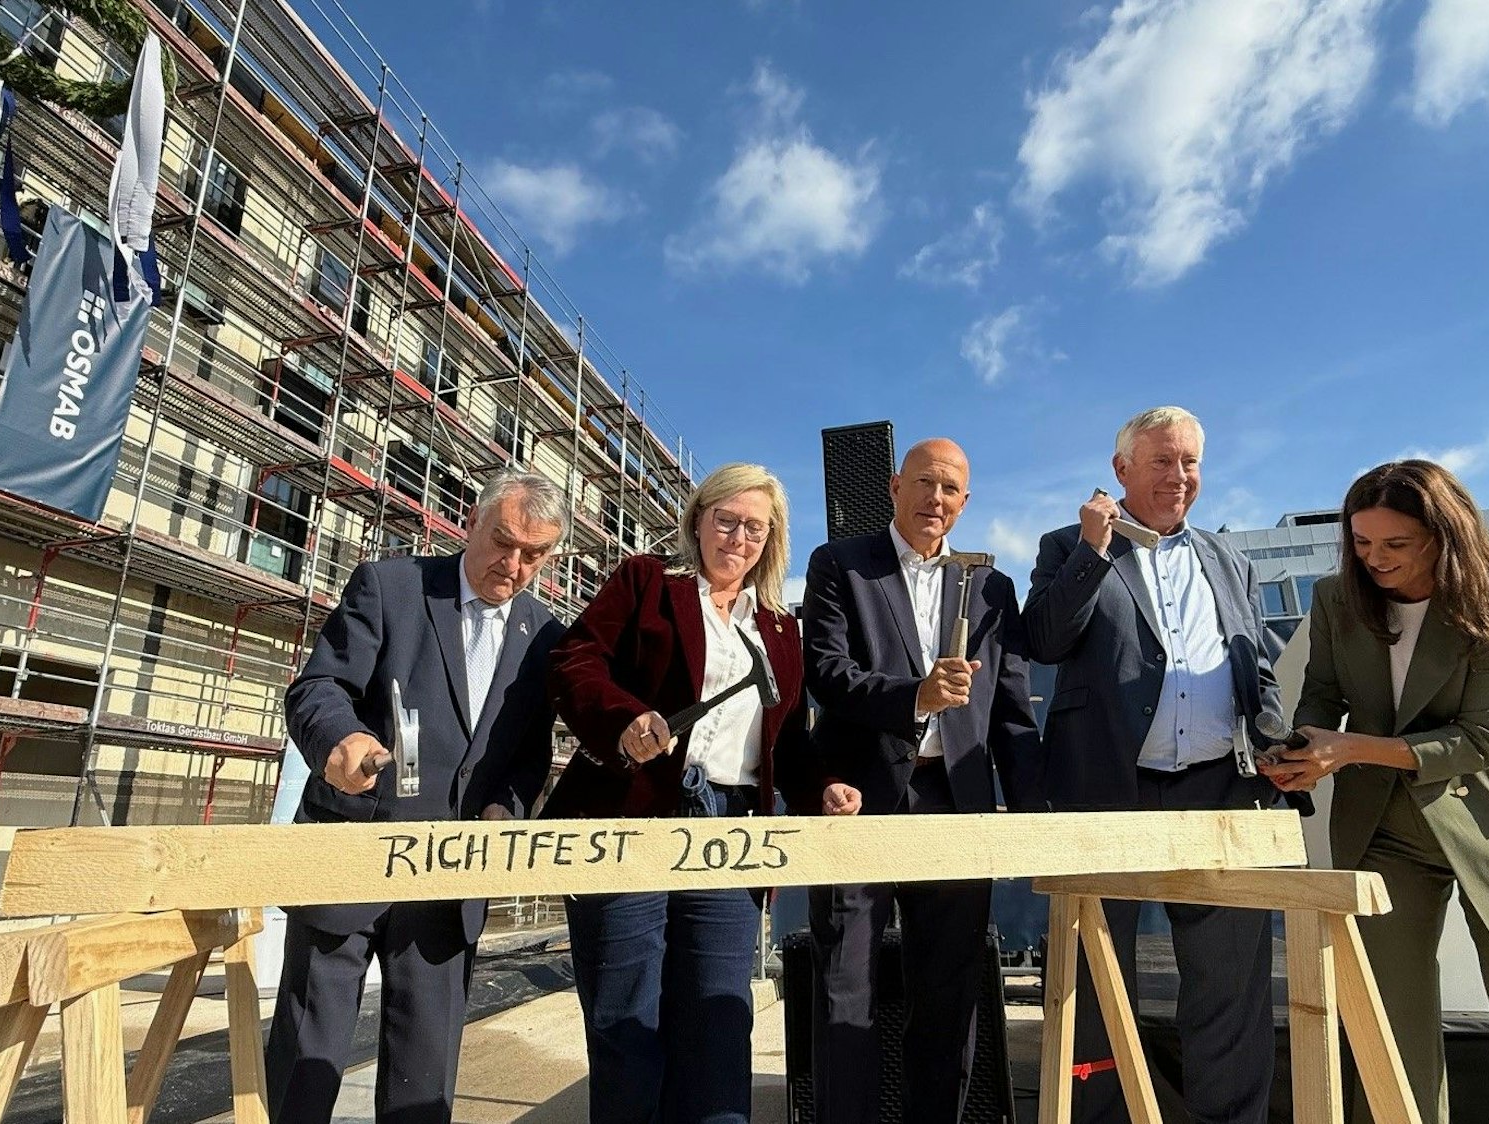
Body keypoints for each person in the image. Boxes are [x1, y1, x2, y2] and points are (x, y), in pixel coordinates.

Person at [1260, 459, 1489, 1124]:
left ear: (1445, 537)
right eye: (1362, 544)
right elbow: (1324, 693)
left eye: (1396, 544)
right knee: (1389, 1036)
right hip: (1386, 834)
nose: (1375, 560)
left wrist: (1353, 750)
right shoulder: (1338, 597)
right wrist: (1302, 749)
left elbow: (1481, 740)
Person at [265, 471, 568, 1124]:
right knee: (303, 1067)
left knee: (423, 1080)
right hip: (349, 852)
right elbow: (319, 687)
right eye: (504, 542)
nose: (513, 566)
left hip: (450, 877)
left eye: (534, 555)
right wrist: (341, 741)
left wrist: (502, 813)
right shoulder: (390, 586)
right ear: (471, 521)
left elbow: (526, 756)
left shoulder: (544, 635)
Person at [1021, 405, 1288, 1124]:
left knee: (1231, 985)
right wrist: (1091, 550)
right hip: (1106, 790)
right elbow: (1042, 641)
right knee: (1093, 984)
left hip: (1219, 791)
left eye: (1190, 462)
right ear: (1122, 470)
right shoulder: (1067, 547)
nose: (1179, 477)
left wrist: (1275, 740)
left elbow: (1254, 667)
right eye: (1163, 461)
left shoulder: (1230, 559)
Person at [544, 462, 809, 1124]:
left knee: (720, 1021)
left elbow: (788, 741)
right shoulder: (645, 582)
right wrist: (623, 719)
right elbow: (576, 658)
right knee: (626, 1018)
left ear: (770, 540)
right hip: (632, 814)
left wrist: (828, 788)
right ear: (698, 520)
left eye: (755, 527)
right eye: (726, 519)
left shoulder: (780, 629)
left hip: (732, 829)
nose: (738, 537)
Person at [801, 437, 1042, 1124]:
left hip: (957, 805)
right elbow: (825, 670)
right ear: (894, 486)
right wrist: (916, 697)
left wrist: (1034, 816)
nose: (937, 500)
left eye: (952, 490)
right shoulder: (840, 565)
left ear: (966, 504)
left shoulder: (992, 588)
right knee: (847, 986)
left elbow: (1013, 709)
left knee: (950, 990)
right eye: (926, 483)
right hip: (859, 802)